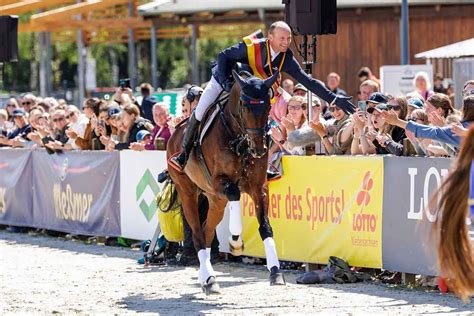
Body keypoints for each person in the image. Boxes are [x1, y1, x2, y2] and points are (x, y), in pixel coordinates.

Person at [170, 20, 355, 171]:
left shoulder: (286, 58)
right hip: (223, 78)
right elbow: (223, 56)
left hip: (249, 90)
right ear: (270, 37)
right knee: (201, 111)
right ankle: (183, 154)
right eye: (282, 37)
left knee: (257, 119)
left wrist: (333, 98)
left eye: (289, 38)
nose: (286, 41)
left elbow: (308, 81)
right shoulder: (252, 46)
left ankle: (258, 165)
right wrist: (227, 84)